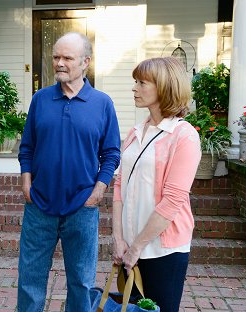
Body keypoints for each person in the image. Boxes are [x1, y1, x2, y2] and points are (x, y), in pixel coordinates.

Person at [18, 32, 121, 312]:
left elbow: (111, 153)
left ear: (86, 61)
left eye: (67, 58)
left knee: (82, 282)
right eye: (56, 57)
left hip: (82, 207)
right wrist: (26, 183)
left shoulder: (102, 103)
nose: (59, 63)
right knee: (30, 279)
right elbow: (26, 147)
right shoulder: (40, 100)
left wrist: (98, 191)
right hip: (39, 205)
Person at [112, 57, 201, 312]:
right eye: (134, 82)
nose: (134, 88)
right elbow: (119, 186)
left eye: (142, 82)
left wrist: (138, 246)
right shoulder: (135, 132)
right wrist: (120, 239)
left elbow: (174, 200)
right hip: (129, 246)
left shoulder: (183, 136)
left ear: (164, 87)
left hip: (163, 250)